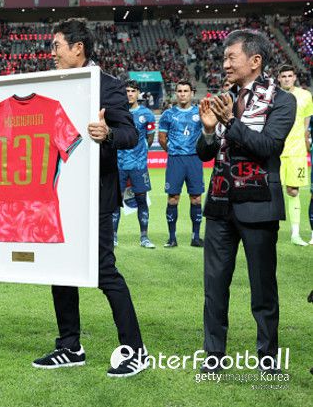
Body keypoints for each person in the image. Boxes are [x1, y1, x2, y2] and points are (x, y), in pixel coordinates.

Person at [32, 18, 147, 378]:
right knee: (60, 269)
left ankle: (136, 350)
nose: (51, 53)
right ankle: (70, 346)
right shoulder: (52, 86)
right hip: (56, 195)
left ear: (77, 48)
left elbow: (130, 134)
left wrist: (107, 132)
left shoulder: (107, 86)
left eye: (56, 46)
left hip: (94, 194)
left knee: (103, 270)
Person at [197, 29, 296, 372]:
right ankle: (213, 356)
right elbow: (205, 152)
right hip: (219, 203)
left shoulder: (282, 100)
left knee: (263, 289)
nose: (224, 64)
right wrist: (208, 129)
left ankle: (267, 358)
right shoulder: (224, 98)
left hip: (258, 204)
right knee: (214, 287)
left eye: (231, 57)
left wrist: (229, 121)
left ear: (255, 61)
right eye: (224, 58)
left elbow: (268, 146)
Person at [158, 80, 204, 247]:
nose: (183, 94)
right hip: (175, 159)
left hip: (194, 159)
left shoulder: (200, 112)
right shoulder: (168, 114)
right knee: (173, 198)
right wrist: (173, 150)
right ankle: (172, 238)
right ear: (175, 93)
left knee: (196, 198)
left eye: (186, 91)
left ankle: (195, 237)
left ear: (192, 93)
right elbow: (161, 138)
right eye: (180, 91)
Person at [112, 79, 156, 248]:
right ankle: (113, 236)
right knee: (115, 202)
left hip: (138, 166)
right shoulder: (116, 112)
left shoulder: (147, 114)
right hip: (119, 165)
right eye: (127, 91)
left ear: (138, 93)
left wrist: (139, 153)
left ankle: (144, 237)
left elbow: (149, 139)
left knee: (141, 200)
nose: (129, 94)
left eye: (133, 91)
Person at [276, 64, 313, 246]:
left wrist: (304, 144)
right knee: (272, 191)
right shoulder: (273, 96)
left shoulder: (305, 96)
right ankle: (268, 232)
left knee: (293, 190)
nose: (287, 79)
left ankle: (295, 234)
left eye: (289, 76)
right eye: (283, 76)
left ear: (295, 77)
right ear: (279, 78)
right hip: (276, 151)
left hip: (296, 152)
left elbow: (306, 125)